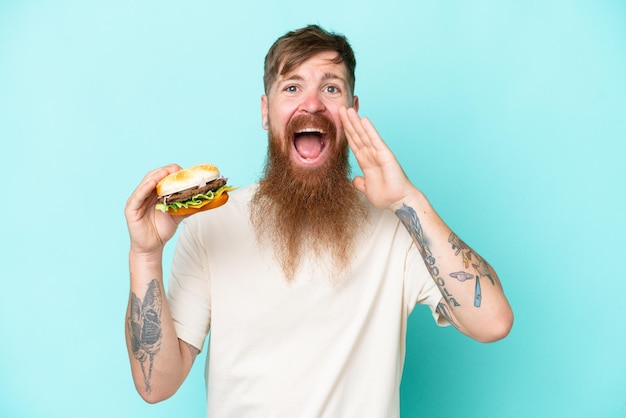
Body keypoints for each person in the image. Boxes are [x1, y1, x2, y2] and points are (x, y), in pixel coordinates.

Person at [124, 24, 513, 417]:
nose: (311, 104)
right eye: (291, 87)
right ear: (265, 111)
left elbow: (493, 322)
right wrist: (144, 254)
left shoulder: (396, 227)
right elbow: (156, 385)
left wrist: (406, 200)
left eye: (331, 88)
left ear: (352, 112)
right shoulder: (211, 225)